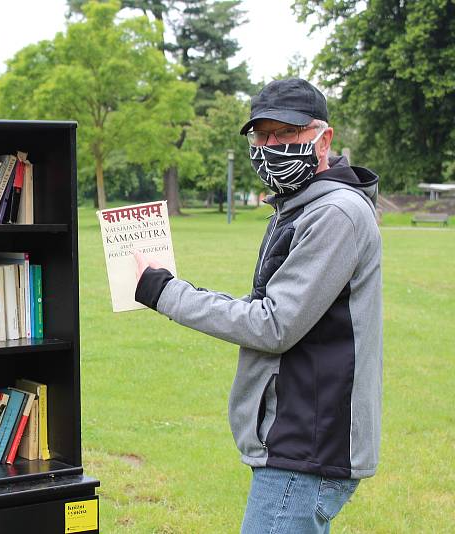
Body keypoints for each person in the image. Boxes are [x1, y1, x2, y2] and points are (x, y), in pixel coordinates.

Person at [133, 78, 382, 534]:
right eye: (262, 135)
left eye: (287, 134)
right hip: (295, 440)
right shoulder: (300, 210)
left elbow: (273, 325)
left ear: (323, 138)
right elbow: (263, 307)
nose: (272, 147)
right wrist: (173, 288)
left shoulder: (335, 214)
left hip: (307, 446)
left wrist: (166, 293)